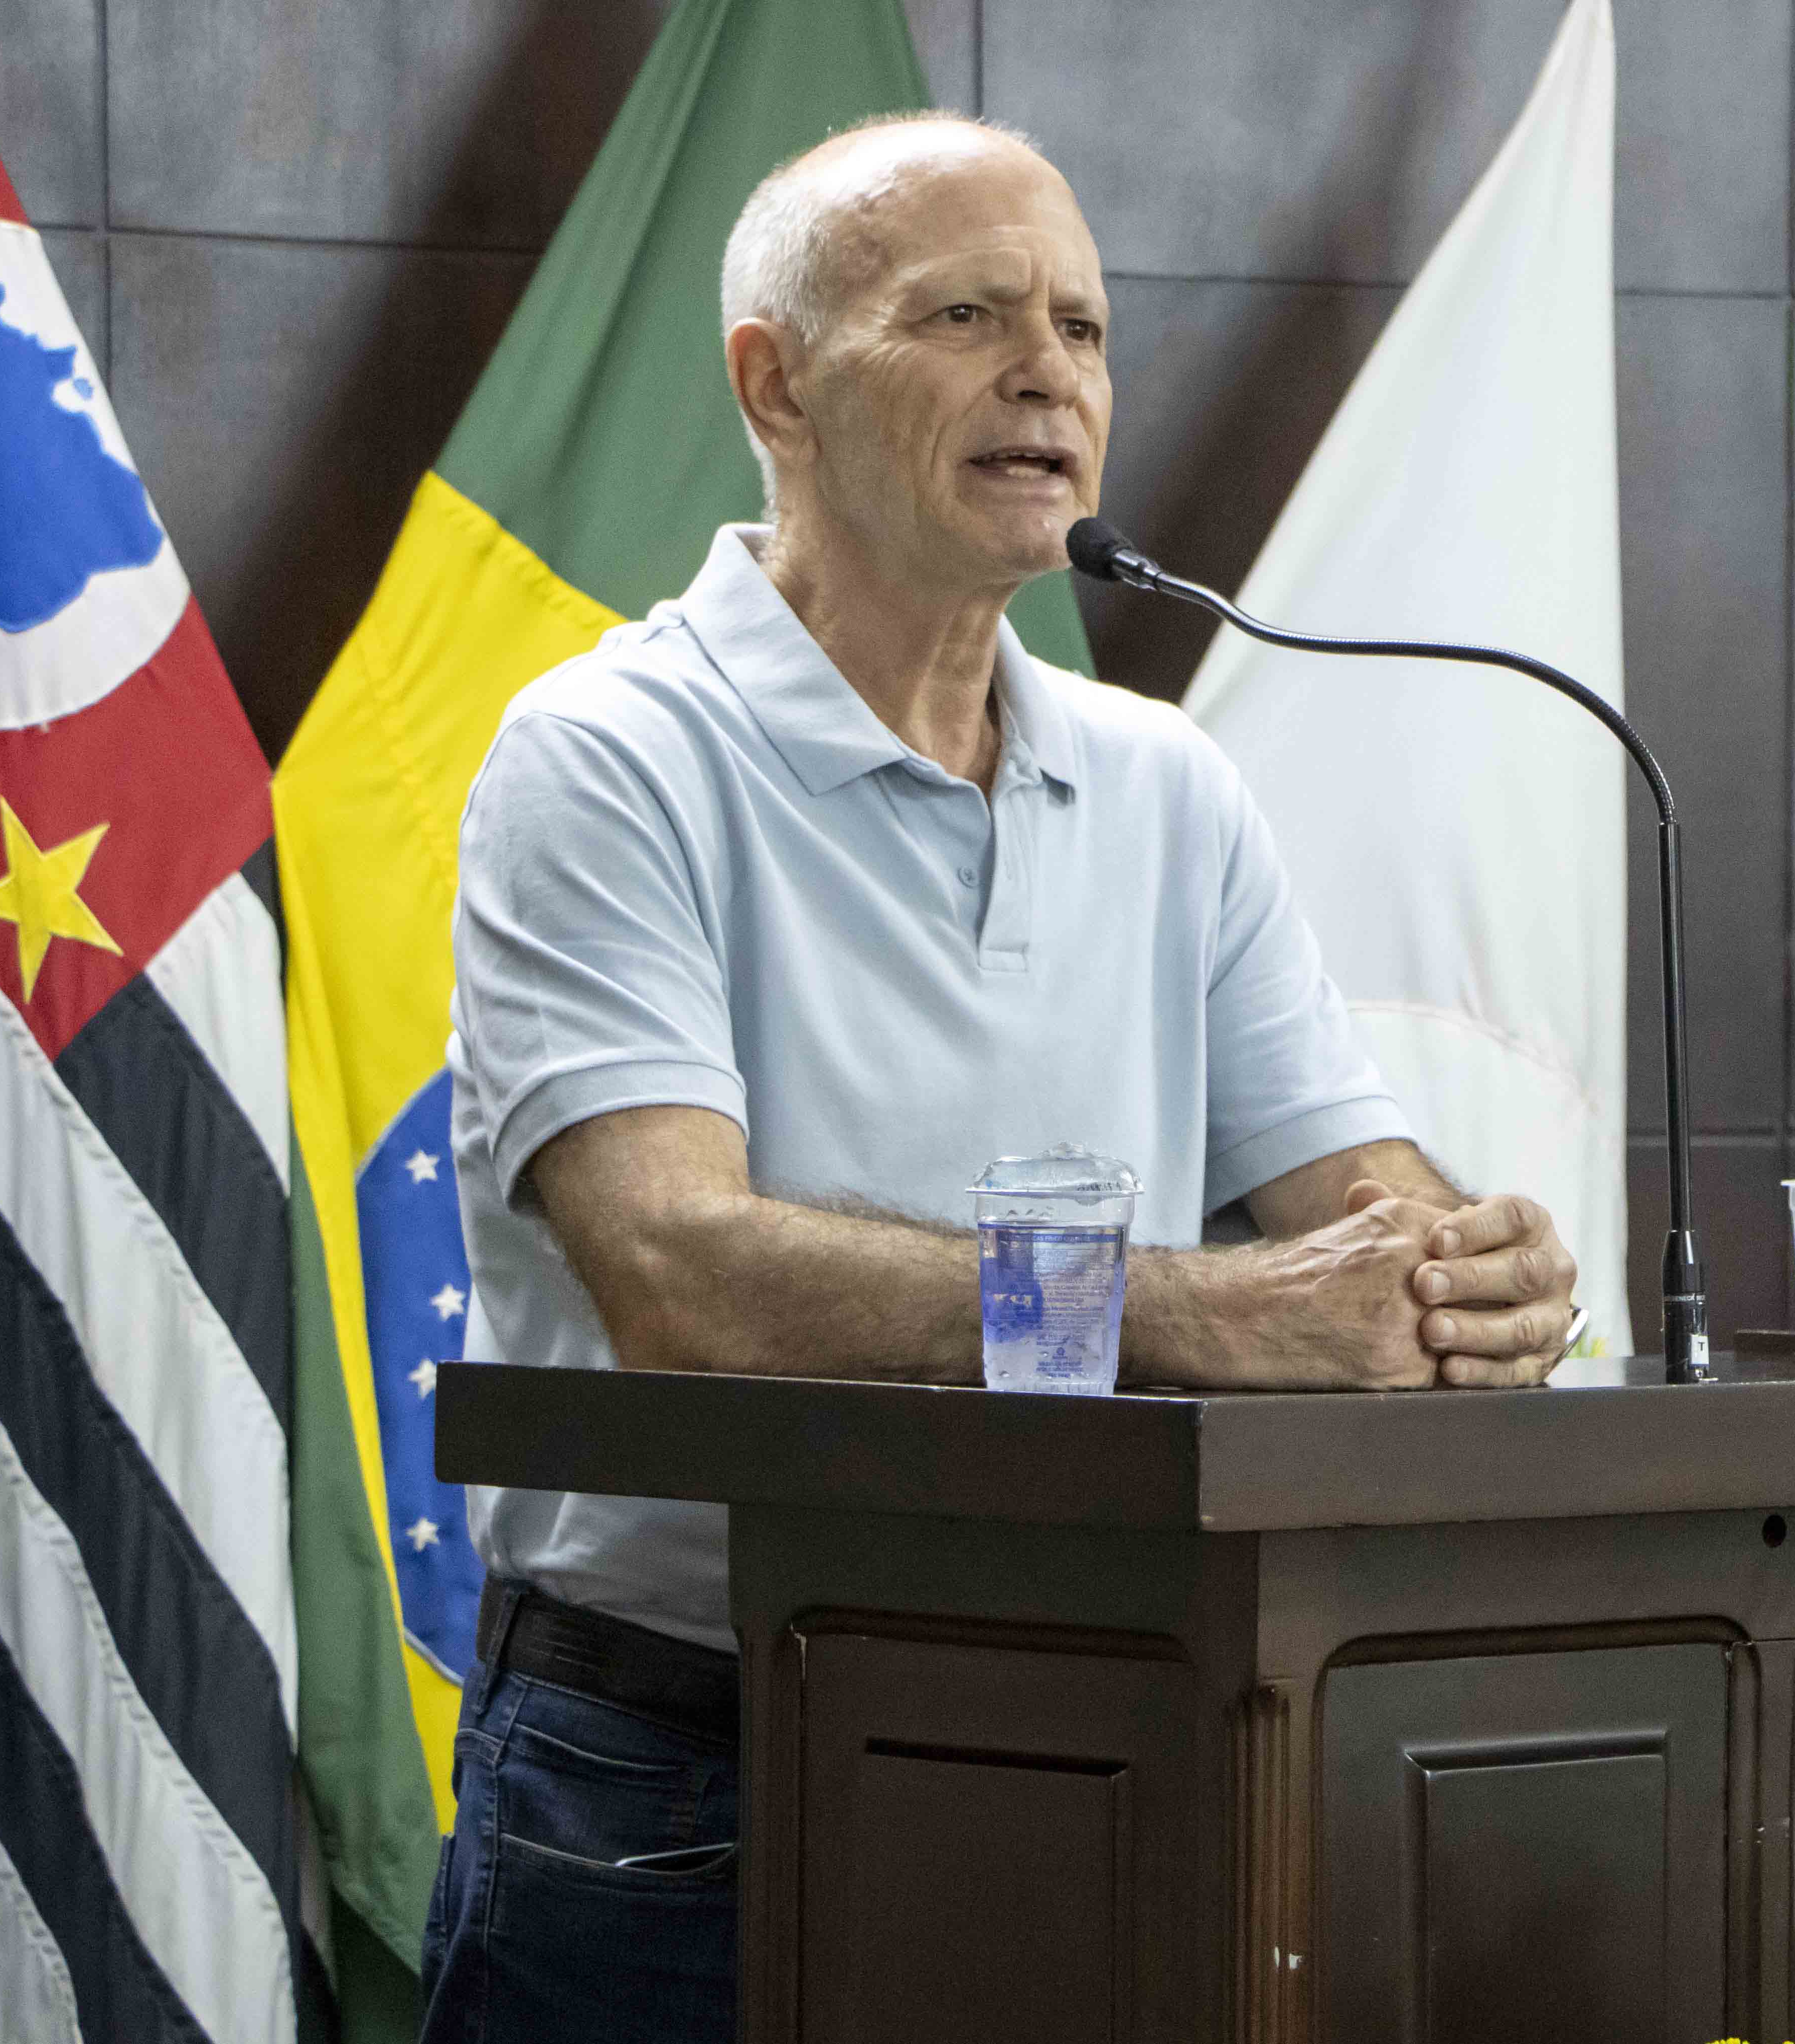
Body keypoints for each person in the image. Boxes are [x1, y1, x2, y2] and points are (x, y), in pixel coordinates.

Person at [414, 112, 1584, 2041]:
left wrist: (1477, 1273)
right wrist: (1206, 1319)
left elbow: (1369, 1214)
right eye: (963, 315)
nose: (1050, 371)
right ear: (771, 384)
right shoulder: (608, 754)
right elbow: (678, 1277)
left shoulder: (1164, 783)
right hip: (683, 1764)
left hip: (1102, 1734)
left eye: (1085, 328)